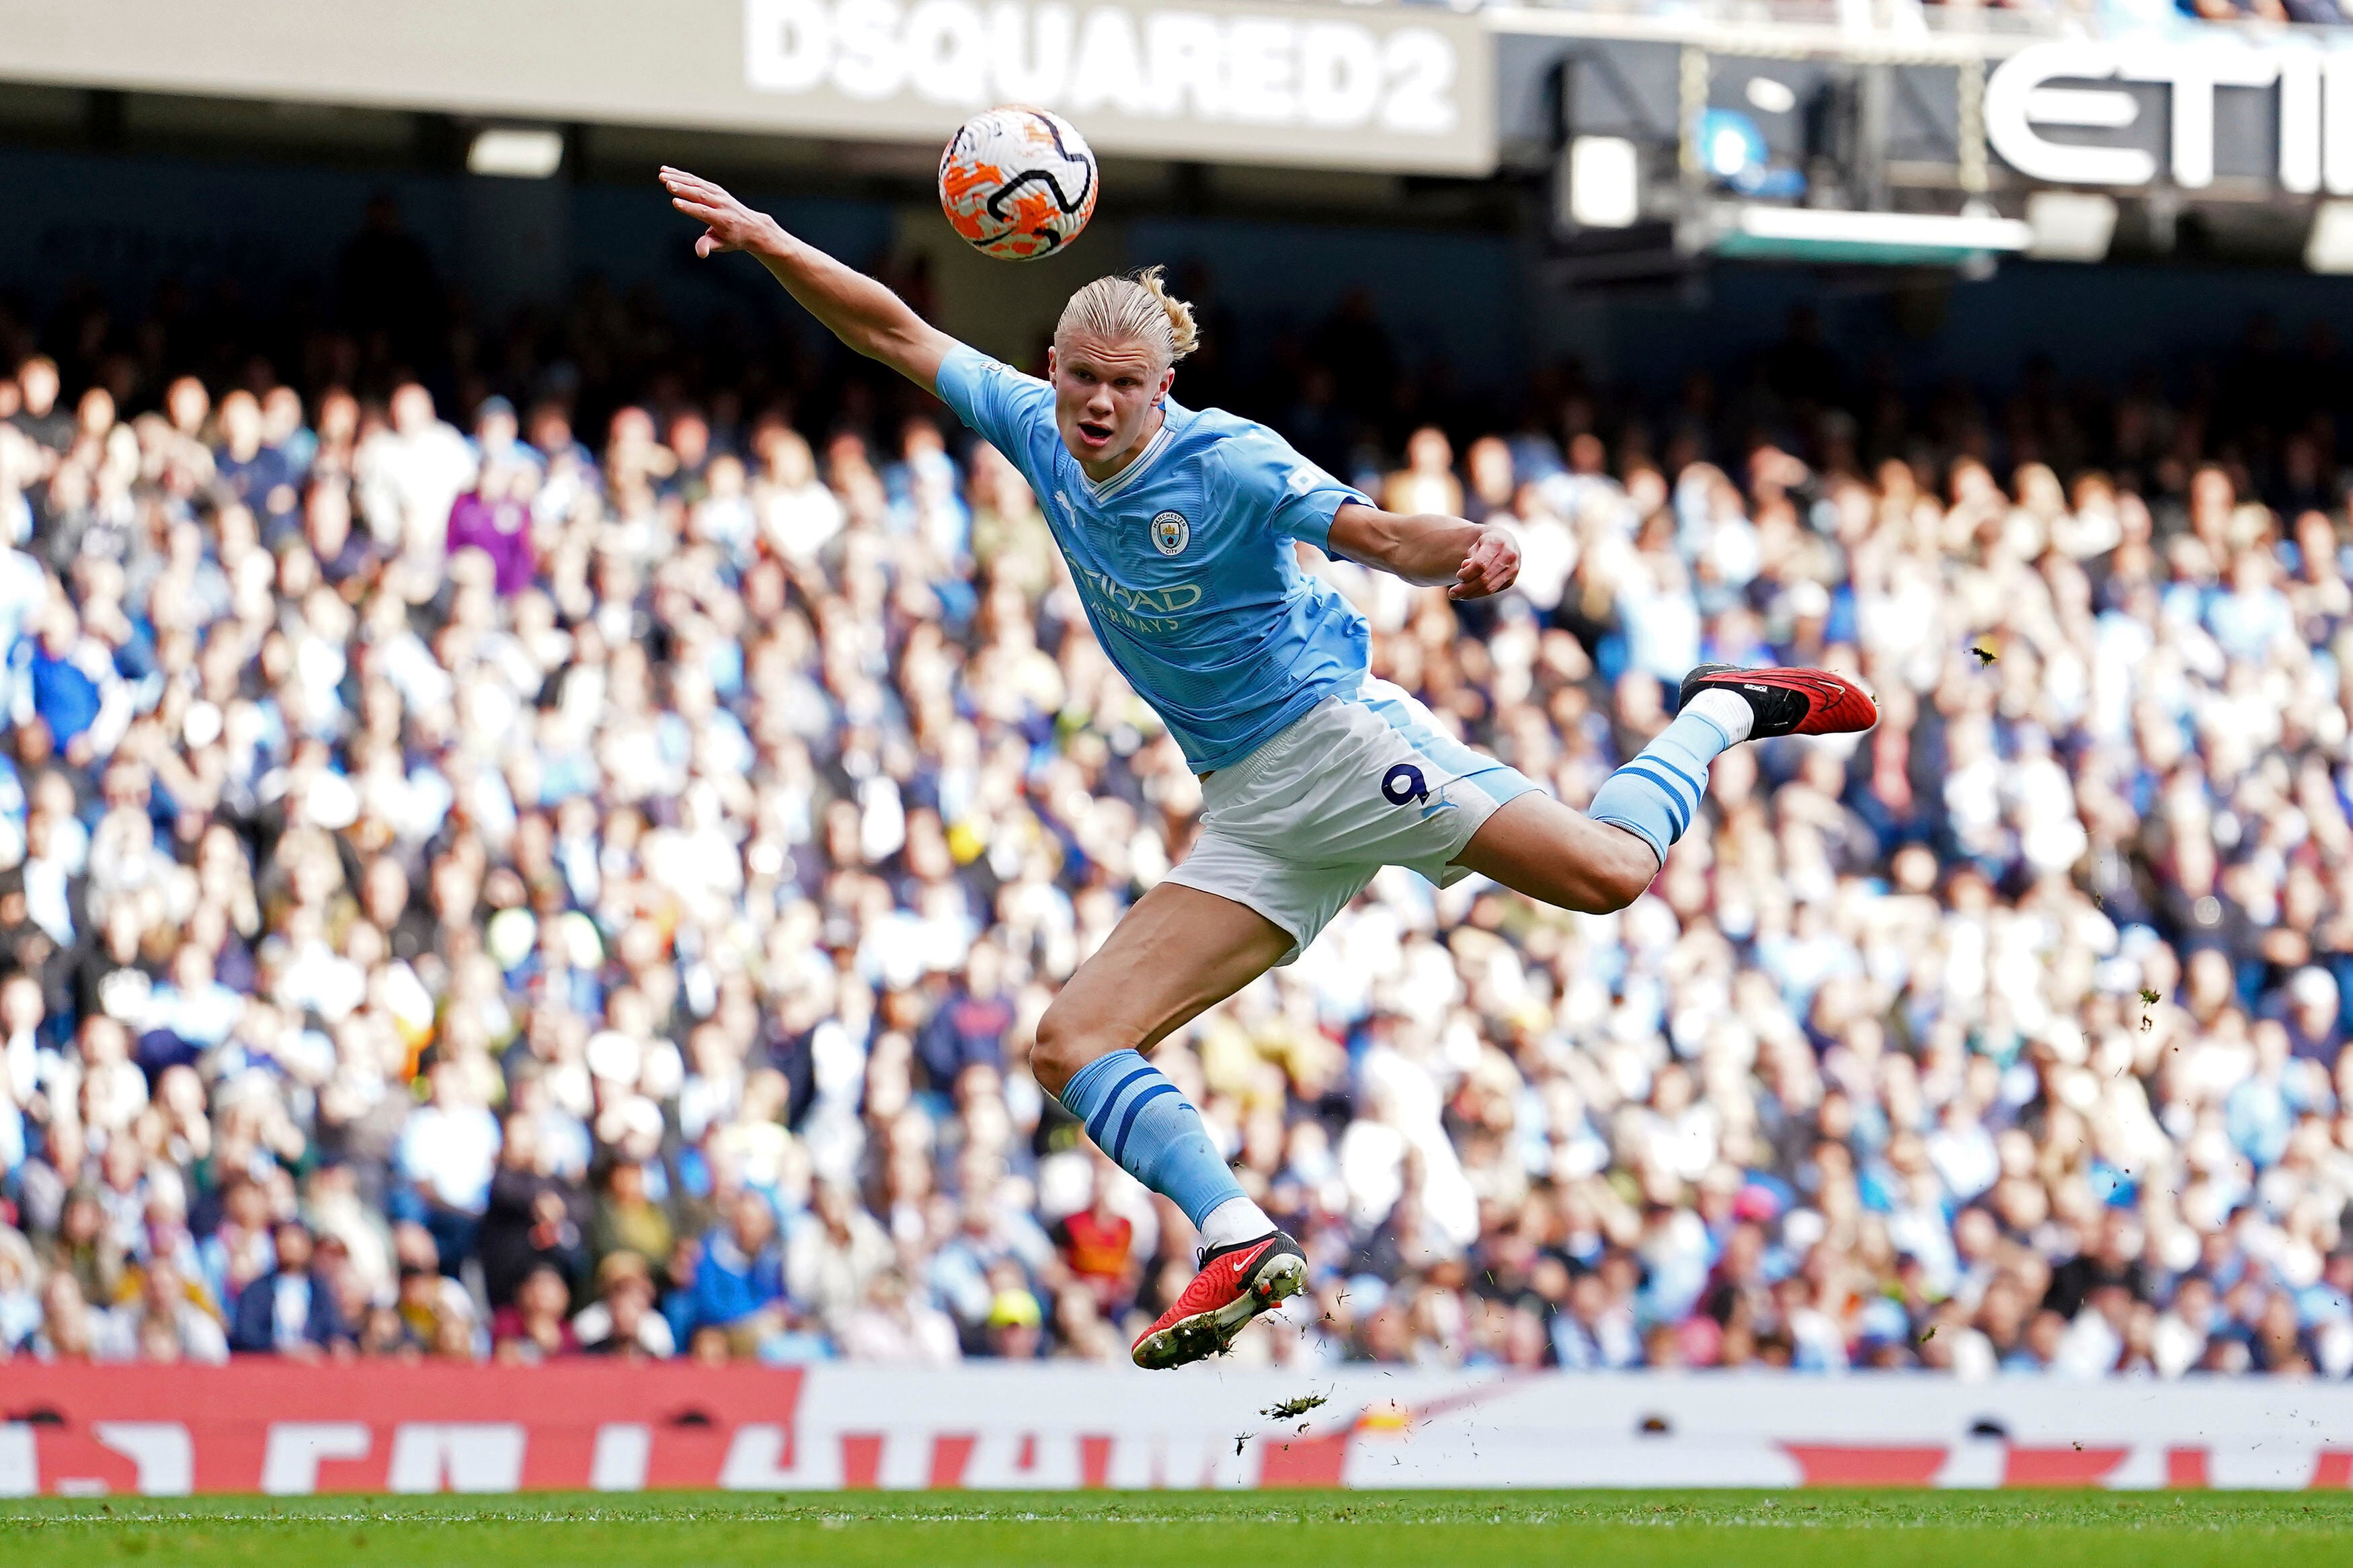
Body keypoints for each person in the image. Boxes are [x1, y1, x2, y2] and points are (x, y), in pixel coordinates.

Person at [660, 166, 1879, 1370]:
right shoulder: (1032, 425)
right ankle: (1240, 1240)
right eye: (1078, 377)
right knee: (1071, 1042)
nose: (1094, 404)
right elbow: (895, 330)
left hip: (1338, 746)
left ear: (1162, 389)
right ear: (1053, 371)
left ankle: (1720, 708)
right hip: (1249, 802)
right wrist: (771, 239)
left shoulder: (1230, 460)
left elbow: (1379, 534)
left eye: (1122, 387)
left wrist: (1474, 549)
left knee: (1611, 875)